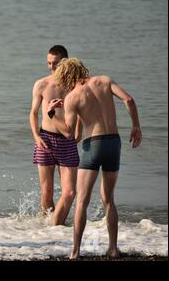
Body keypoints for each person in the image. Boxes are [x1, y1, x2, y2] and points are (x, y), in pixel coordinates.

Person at [47, 58, 142, 259]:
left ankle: (75, 251)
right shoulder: (105, 81)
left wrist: (52, 114)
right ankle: (113, 248)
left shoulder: (73, 97)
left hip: (93, 145)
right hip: (114, 143)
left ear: (66, 76)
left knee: (82, 200)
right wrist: (136, 126)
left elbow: (69, 133)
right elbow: (129, 100)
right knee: (109, 200)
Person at [29, 45, 82, 225]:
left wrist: (79, 133)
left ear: (65, 62)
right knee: (47, 191)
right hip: (45, 139)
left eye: (55, 63)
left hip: (67, 141)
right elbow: (33, 113)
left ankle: (57, 224)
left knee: (70, 192)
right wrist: (36, 136)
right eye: (49, 63)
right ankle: (47, 228)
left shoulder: (75, 85)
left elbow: (81, 110)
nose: (51, 67)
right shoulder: (42, 84)